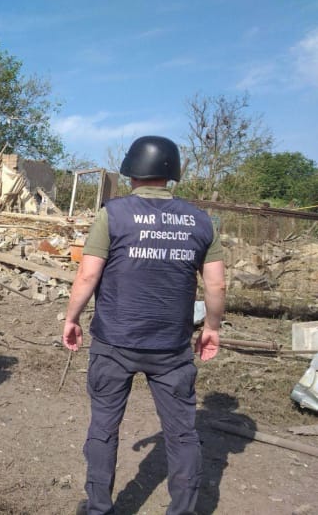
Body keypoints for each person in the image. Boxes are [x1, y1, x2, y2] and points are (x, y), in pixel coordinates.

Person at [62, 136, 226, 515]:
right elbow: (216, 285)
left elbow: (87, 275)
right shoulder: (201, 220)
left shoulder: (113, 214)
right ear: (172, 172)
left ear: (131, 171)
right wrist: (212, 327)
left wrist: (72, 318)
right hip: (171, 348)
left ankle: (99, 508)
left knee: (104, 426)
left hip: (114, 342)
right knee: (182, 433)